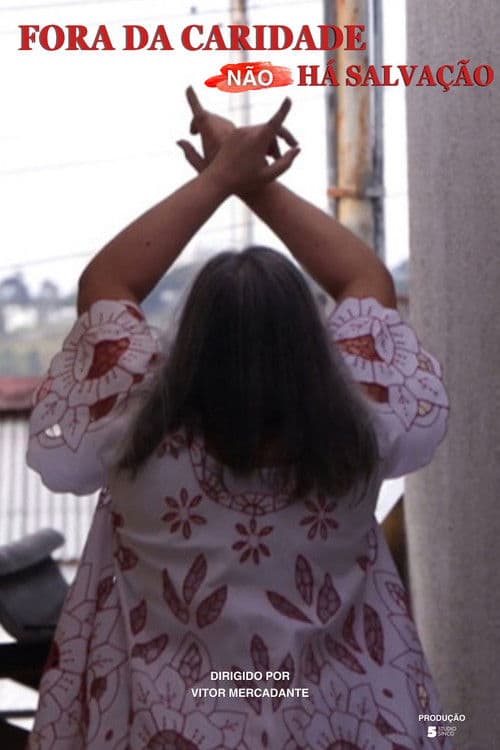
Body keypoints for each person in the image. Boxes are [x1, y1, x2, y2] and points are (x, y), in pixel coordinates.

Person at [26, 88, 451, 750]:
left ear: (188, 343)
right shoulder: (359, 443)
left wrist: (223, 175)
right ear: (313, 346)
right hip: (340, 724)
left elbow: (106, 282)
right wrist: (255, 184)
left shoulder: (133, 446)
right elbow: (367, 280)